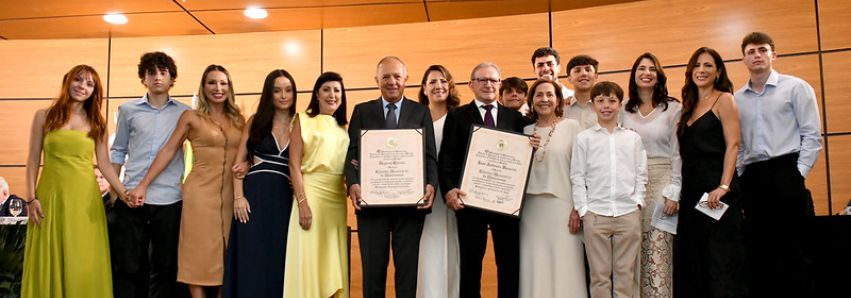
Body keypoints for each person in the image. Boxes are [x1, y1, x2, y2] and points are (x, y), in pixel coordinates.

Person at [128, 64, 245, 298]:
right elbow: (168, 151)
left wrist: (247, 166)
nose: (218, 88)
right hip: (199, 194)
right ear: (203, 87)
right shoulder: (191, 117)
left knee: (225, 254)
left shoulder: (239, 120)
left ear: (229, 87)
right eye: (212, 83)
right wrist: (143, 184)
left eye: (223, 83)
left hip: (231, 193)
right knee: (197, 253)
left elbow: (248, 154)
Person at [21, 64, 127, 297]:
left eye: (90, 84)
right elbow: (32, 159)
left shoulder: (97, 122)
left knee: (82, 256)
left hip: (84, 199)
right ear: (67, 81)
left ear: (95, 91)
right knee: (49, 254)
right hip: (50, 195)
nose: (82, 87)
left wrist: (123, 192)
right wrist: (30, 198)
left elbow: (104, 164)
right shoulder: (43, 116)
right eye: (78, 80)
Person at [439, 62, 538, 298]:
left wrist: (533, 143)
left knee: (509, 263)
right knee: (470, 264)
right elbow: (447, 157)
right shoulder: (457, 116)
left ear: (499, 84)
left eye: (493, 80)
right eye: (482, 80)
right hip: (469, 201)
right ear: (471, 84)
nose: (488, 84)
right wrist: (449, 190)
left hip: (505, 203)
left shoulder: (516, 118)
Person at [735, 32, 821, 297]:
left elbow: (812, 136)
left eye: (762, 50)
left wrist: (798, 173)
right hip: (753, 177)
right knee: (759, 254)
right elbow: (739, 145)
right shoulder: (737, 99)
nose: (757, 55)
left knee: (796, 252)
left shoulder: (795, 87)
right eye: (751, 51)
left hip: (787, 171)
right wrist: (740, 174)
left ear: (774, 54)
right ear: (744, 59)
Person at [345, 56, 439, 298]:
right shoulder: (362, 111)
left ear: (406, 79)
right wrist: (353, 183)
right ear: (376, 80)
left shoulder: (421, 111)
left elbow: (430, 155)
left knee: (407, 274)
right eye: (385, 76)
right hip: (371, 205)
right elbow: (351, 154)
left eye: (397, 76)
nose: (392, 81)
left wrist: (431, 184)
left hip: (410, 206)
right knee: (372, 273)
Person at [109, 51, 191, 298]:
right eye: (151, 72)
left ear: (171, 78)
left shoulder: (185, 112)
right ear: (143, 78)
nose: (157, 77)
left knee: (165, 268)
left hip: (169, 198)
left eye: (163, 72)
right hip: (131, 196)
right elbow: (118, 150)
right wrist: (115, 191)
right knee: (129, 266)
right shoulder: (127, 110)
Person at [674, 47, 749, 297]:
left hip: (715, 191)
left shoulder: (724, 99)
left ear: (718, 72)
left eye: (708, 65)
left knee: (719, 255)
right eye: (697, 65)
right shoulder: (688, 105)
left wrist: (723, 186)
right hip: (691, 191)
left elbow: (733, 145)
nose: (701, 70)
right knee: (695, 257)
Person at [223, 69, 297, 297]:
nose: (283, 96)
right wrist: (239, 197)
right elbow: (238, 163)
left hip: (285, 200)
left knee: (280, 257)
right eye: (277, 91)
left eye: (288, 90)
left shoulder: (300, 123)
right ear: (268, 94)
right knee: (252, 257)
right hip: (253, 198)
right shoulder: (256, 121)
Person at [571, 81, 646, 298]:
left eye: (612, 101)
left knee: (625, 275)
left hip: (627, 213)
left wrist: (638, 201)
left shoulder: (632, 138)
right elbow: (577, 176)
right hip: (595, 214)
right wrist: (583, 209)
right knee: (599, 276)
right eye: (600, 101)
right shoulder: (584, 139)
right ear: (593, 105)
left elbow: (641, 173)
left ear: (620, 105)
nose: (606, 106)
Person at [283, 71, 350, 298]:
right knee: (309, 258)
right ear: (317, 95)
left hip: (336, 198)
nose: (332, 94)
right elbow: (294, 165)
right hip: (310, 194)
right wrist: (302, 203)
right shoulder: (303, 120)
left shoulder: (343, 129)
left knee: (331, 260)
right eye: (326, 89)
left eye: (337, 90)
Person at [620, 52, 681, 297]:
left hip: (662, 181)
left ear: (659, 76)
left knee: (658, 246)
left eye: (652, 69)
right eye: (641, 69)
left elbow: (678, 153)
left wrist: (674, 191)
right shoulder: (623, 108)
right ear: (634, 75)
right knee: (632, 248)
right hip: (630, 184)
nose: (646, 73)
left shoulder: (673, 108)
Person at [520, 79, 586, 298]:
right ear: (532, 100)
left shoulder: (572, 127)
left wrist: (578, 208)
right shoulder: (524, 131)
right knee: (535, 264)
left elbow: (581, 171)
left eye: (549, 94)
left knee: (566, 264)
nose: (544, 99)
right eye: (539, 95)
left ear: (558, 99)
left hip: (563, 207)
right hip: (531, 210)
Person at [416, 64, 461, 298]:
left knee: (453, 252)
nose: (438, 86)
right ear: (424, 88)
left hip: (453, 200)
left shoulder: (460, 118)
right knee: (427, 252)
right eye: (432, 82)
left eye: (443, 81)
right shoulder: (414, 119)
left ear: (450, 86)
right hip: (423, 199)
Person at [563, 55, 600, 129]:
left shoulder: (606, 107)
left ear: (596, 76)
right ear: (569, 78)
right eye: (577, 71)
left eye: (588, 70)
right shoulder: (562, 109)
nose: (583, 73)